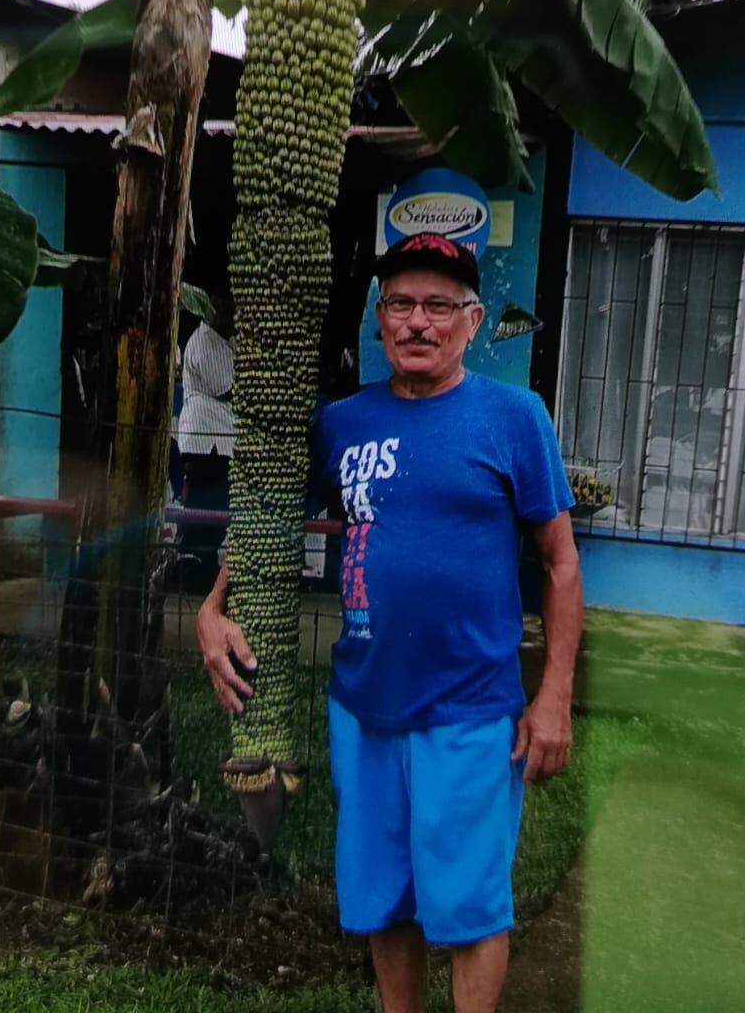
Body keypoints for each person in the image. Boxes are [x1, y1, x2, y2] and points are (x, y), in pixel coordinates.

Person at [197, 233, 582, 1013]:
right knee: (383, 900)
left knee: (470, 910)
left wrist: (554, 696)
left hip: (471, 707)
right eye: (402, 304)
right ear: (379, 319)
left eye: (439, 306)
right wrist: (211, 608)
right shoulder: (343, 422)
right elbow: (272, 520)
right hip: (363, 705)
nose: (419, 322)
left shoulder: (514, 418)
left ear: (471, 321)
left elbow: (560, 564)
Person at [175, 290, 235, 576]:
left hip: (223, 439)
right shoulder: (203, 342)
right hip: (206, 438)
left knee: (217, 503)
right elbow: (228, 388)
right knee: (206, 503)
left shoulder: (227, 341)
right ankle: (195, 562)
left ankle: (203, 561)